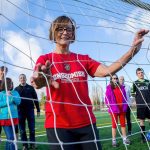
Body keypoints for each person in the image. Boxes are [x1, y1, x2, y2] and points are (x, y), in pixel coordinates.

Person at [30, 15, 148, 150]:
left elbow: (107, 71)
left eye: (68, 29)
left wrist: (133, 50)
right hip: (58, 126)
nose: (64, 32)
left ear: (73, 33)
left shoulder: (82, 59)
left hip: (87, 124)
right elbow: (37, 79)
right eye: (60, 29)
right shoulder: (45, 59)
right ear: (53, 32)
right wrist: (40, 80)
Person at [15, 74, 40, 150]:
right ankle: (25, 145)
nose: (22, 79)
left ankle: (32, 144)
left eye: (23, 78)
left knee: (32, 128)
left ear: (26, 79)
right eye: (21, 78)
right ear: (19, 79)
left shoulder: (31, 88)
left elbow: (35, 98)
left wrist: (38, 109)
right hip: (20, 111)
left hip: (30, 110)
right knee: (22, 130)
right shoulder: (16, 89)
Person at [105, 74, 130, 147]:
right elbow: (107, 99)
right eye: (114, 78)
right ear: (111, 79)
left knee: (123, 124)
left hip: (122, 109)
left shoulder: (122, 87)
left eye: (116, 78)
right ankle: (114, 141)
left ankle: (125, 139)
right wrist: (110, 106)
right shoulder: (109, 88)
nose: (115, 79)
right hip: (114, 110)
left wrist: (125, 106)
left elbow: (125, 97)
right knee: (114, 125)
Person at [0, 77, 21, 150]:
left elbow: (18, 102)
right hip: (5, 118)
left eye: (11, 83)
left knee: (10, 138)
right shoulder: (1, 93)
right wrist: (8, 100)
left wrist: (11, 95)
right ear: (4, 84)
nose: (10, 85)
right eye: (9, 83)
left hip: (14, 117)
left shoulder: (15, 92)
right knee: (11, 138)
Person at [131, 68, 150, 143]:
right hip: (140, 105)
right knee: (141, 121)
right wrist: (136, 100)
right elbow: (132, 93)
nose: (141, 74)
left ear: (143, 73)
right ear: (137, 74)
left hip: (148, 104)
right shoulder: (135, 83)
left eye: (142, 72)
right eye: (139, 73)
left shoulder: (148, 82)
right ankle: (143, 138)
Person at [0, 66, 8, 141]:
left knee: (9, 134)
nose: (3, 72)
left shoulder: (7, 82)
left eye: (5, 71)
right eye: (2, 70)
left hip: (4, 112)